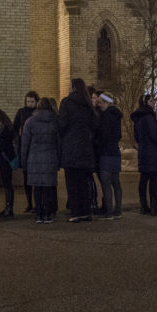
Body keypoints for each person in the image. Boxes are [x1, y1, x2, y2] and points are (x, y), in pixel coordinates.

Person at [57, 78, 97, 222]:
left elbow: (62, 124)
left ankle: (76, 212)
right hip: (85, 148)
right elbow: (94, 124)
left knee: (72, 183)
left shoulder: (66, 103)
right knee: (83, 182)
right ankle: (86, 211)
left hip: (71, 148)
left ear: (73, 88)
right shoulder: (87, 104)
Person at [21, 96, 60, 224]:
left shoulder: (30, 122)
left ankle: (39, 213)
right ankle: (48, 214)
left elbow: (25, 143)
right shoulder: (55, 121)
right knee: (48, 187)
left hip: (34, 158)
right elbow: (59, 142)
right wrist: (59, 160)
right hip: (50, 158)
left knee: (37, 187)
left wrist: (24, 161)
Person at [132, 94, 157, 216]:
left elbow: (136, 136)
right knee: (153, 180)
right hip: (152, 152)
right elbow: (154, 135)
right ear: (146, 103)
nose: (153, 103)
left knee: (143, 180)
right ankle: (153, 206)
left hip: (143, 151)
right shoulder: (149, 117)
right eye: (151, 101)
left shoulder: (138, 118)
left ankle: (143, 205)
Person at [93, 92, 123, 219]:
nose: (98, 106)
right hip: (115, 153)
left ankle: (109, 212)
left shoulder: (105, 117)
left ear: (106, 103)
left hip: (105, 153)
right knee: (116, 183)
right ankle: (118, 210)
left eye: (100, 103)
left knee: (106, 184)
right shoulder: (116, 115)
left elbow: (103, 135)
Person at [13, 91, 39, 213]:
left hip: (34, 148)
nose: (29, 104)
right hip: (24, 148)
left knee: (36, 179)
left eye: (32, 101)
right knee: (26, 178)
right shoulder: (21, 112)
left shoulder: (38, 113)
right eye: (28, 101)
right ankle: (29, 203)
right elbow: (14, 127)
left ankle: (37, 203)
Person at [0, 109, 17, 219]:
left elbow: (0, 147)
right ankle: (8, 208)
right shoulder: (8, 129)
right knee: (7, 184)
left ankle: (9, 208)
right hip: (7, 159)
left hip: (4, 160)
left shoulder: (4, 132)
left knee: (7, 184)